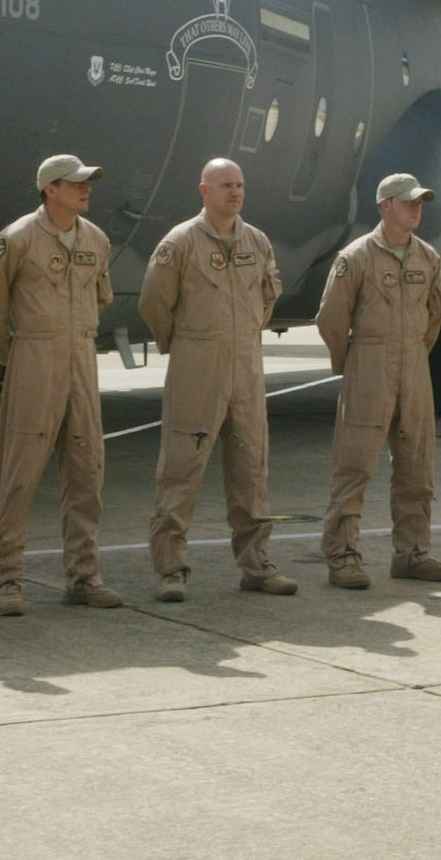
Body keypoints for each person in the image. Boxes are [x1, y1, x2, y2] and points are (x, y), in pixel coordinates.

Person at [0, 154, 123, 616]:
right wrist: (15, 356)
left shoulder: (96, 239)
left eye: (87, 182)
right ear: (50, 189)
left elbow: (102, 296)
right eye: (75, 183)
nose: (86, 188)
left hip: (81, 360)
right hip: (34, 358)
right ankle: (6, 576)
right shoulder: (17, 239)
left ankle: (84, 575)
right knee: (21, 473)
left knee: (87, 472)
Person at [140, 159, 293, 602]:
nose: (235, 192)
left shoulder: (257, 241)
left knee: (251, 470)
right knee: (181, 471)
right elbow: (155, 303)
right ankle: (171, 569)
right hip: (197, 367)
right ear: (204, 190)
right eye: (226, 185)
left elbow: (267, 297)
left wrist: (240, 336)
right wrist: (188, 345)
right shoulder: (180, 242)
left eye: (240, 185)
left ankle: (257, 565)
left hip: (246, 368)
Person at [315, 173, 441, 588]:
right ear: (385, 206)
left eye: (420, 202)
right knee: (355, 467)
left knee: (417, 469)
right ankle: (343, 557)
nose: (417, 208)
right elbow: (331, 318)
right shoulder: (356, 257)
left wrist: (415, 352)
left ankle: (413, 554)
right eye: (409, 201)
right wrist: (352, 361)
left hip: (413, 368)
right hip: (369, 365)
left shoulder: (427, 257)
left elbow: (436, 312)